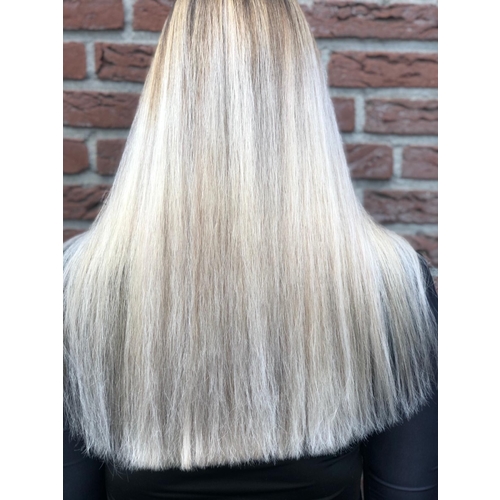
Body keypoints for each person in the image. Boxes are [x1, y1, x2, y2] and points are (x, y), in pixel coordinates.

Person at [63, 0, 438, 498]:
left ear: (167, 96)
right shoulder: (393, 284)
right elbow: (408, 489)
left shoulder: (80, 286)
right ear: (304, 97)